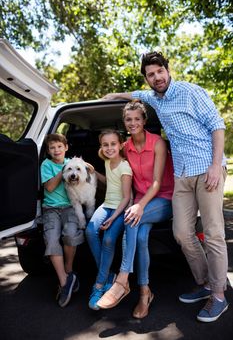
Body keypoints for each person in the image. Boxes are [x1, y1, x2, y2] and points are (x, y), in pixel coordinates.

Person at [101, 51, 228, 322]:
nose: (156, 77)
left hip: (207, 169)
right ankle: (206, 282)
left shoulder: (190, 91)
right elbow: (133, 96)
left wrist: (216, 165)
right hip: (182, 174)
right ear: (147, 78)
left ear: (167, 70)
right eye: (150, 74)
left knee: (214, 233)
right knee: (182, 232)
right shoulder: (153, 98)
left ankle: (218, 296)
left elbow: (217, 126)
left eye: (160, 71)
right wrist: (113, 97)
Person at [97, 100, 174, 319]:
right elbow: (118, 174)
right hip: (141, 199)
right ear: (124, 122)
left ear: (144, 121)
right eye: (128, 119)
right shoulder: (126, 147)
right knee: (140, 239)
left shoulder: (157, 142)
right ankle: (144, 293)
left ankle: (122, 281)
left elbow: (157, 182)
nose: (133, 123)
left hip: (164, 198)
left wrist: (139, 206)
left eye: (137, 119)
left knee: (132, 217)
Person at [85, 129, 133, 310]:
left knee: (109, 239)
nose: (109, 148)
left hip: (120, 208)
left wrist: (113, 218)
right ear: (101, 147)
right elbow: (110, 182)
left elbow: (126, 197)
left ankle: (98, 285)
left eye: (113, 144)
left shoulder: (125, 167)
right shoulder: (106, 161)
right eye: (105, 145)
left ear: (121, 145)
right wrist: (94, 172)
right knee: (90, 231)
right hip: (106, 205)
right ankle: (107, 276)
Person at [41, 133, 83, 307]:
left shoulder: (73, 165)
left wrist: (77, 167)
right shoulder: (46, 164)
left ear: (66, 148)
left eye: (59, 146)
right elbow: (49, 187)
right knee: (51, 240)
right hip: (50, 209)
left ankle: (69, 270)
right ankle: (65, 282)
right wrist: (64, 170)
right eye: (52, 147)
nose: (56, 150)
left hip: (69, 206)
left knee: (71, 235)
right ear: (48, 151)